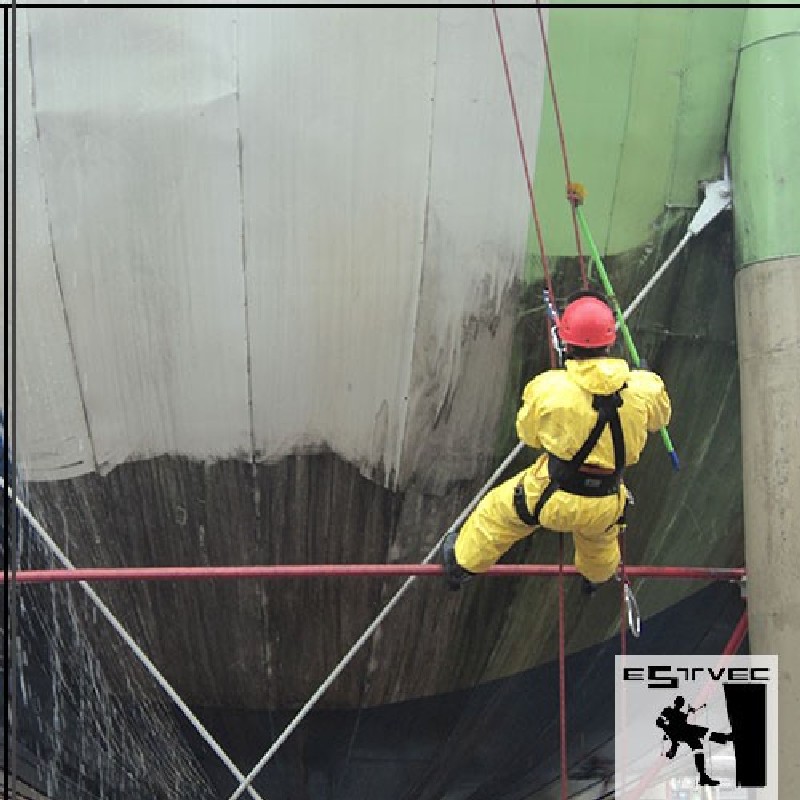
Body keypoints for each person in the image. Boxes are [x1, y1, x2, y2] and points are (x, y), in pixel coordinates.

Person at [442, 289, 671, 593]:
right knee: (600, 545)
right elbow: (660, 418)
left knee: (497, 514)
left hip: (551, 496)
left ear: (566, 342)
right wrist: (644, 376)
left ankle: (461, 565)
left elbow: (529, 434)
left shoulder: (549, 388)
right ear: (611, 340)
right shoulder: (644, 389)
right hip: (605, 500)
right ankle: (596, 578)